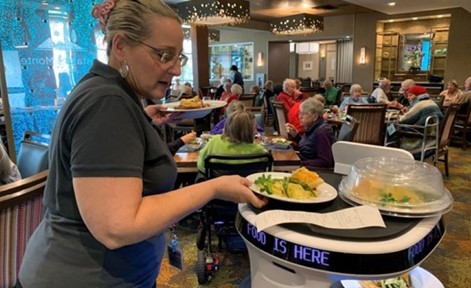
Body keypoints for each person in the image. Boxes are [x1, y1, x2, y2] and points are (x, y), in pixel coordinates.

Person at [18, 1, 266, 287]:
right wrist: (213, 187)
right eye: (164, 55)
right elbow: (118, 227)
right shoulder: (107, 103)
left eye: (179, 58)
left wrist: (141, 122)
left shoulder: (112, 95)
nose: (174, 69)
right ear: (121, 46)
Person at [197, 111, 267, 174]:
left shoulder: (214, 141)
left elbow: (200, 164)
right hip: (247, 186)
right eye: (254, 128)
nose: (256, 131)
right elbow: (266, 172)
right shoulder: (260, 151)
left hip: (219, 186)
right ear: (250, 131)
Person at [285, 98, 335, 168]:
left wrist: (299, 163)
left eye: (304, 114)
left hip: (313, 172)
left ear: (315, 117)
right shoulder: (312, 127)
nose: (300, 116)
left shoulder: (322, 132)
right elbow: (309, 148)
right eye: (300, 113)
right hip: (304, 165)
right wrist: (296, 135)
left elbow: (325, 162)